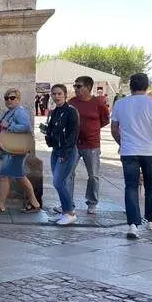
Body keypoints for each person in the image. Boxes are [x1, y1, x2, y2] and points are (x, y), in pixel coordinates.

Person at [110, 73, 152, 239]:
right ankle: (151, 219)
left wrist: (122, 143)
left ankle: (133, 225)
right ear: (147, 86)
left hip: (129, 151)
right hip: (150, 151)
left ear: (130, 86)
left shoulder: (120, 103)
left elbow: (114, 128)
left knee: (130, 186)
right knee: (151, 186)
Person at [0, 88, 41, 214]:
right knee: (19, 176)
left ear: (18, 99)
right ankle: (34, 203)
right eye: (6, 98)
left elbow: (26, 127)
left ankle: (0, 206)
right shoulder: (10, 112)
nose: (9, 100)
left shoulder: (19, 112)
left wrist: (9, 126)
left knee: (4, 176)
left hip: (15, 151)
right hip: (11, 150)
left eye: (12, 98)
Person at [65, 76, 110, 215]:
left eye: (79, 86)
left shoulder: (98, 103)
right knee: (68, 174)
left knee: (93, 175)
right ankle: (67, 203)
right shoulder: (72, 103)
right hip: (73, 144)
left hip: (92, 144)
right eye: (75, 86)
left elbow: (105, 120)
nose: (76, 89)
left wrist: (92, 130)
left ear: (88, 88)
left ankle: (92, 202)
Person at [45, 84, 80, 225]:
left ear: (65, 95)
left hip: (67, 151)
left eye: (59, 93)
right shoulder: (55, 111)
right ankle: (65, 212)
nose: (56, 96)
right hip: (56, 150)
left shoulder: (71, 111)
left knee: (58, 182)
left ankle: (70, 212)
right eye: (54, 94)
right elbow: (53, 130)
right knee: (60, 182)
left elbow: (73, 134)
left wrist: (65, 153)